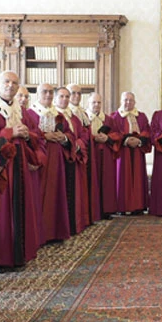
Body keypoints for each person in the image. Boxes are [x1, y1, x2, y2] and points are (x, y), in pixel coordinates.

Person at [0, 71, 44, 268]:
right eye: (6, 82)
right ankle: (2, 258)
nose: (10, 86)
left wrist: (27, 135)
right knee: (3, 211)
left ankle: (20, 255)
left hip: (20, 165)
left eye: (14, 83)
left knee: (21, 207)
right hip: (2, 168)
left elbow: (37, 135)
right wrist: (10, 132)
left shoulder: (22, 111)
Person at [27, 83, 74, 241]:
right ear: (38, 94)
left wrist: (64, 138)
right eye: (44, 92)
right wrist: (44, 136)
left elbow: (69, 133)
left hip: (56, 159)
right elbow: (28, 134)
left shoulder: (58, 115)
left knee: (55, 194)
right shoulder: (30, 113)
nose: (48, 95)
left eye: (50, 92)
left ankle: (54, 232)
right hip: (38, 158)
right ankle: (39, 235)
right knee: (38, 194)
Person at [54, 86, 89, 234]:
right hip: (59, 159)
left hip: (74, 156)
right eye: (62, 96)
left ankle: (75, 223)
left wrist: (77, 145)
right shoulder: (53, 115)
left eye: (67, 97)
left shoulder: (74, 117)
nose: (65, 99)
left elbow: (82, 134)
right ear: (55, 98)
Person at [111, 92, 152, 215]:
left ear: (134, 102)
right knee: (123, 178)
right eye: (125, 100)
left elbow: (147, 131)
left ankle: (138, 206)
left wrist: (139, 140)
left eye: (130, 100)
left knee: (138, 177)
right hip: (123, 152)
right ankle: (122, 207)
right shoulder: (114, 117)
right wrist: (126, 140)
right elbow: (113, 133)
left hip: (138, 150)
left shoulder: (141, 116)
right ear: (121, 101)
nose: (128, 102)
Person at [68, 83, 100, 223]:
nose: (76, 96)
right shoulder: (67, 112)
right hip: (73, 153)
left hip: (85, 151)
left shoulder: (82, 113)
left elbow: (85, 133)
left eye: (79, 93)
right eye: (73, 93)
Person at [86, 93, 120, 218]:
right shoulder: (84, 118)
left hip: (105, 154)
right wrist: (94, 138)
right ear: (88, 103)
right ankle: (92, 211)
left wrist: (107, 137)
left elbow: (117, 134)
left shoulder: (109, 119)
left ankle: (106, 210)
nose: (96, 105)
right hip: (91, 153)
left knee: (106, 181)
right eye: (93, 102)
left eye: (99, 103)